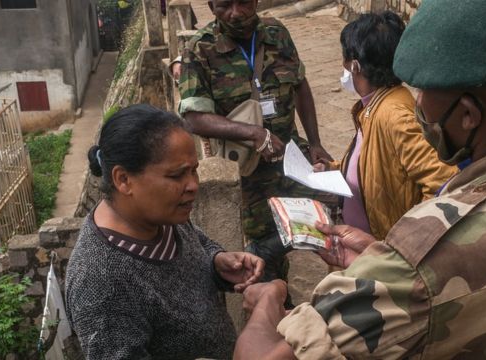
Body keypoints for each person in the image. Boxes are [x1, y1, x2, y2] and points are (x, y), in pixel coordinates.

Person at [234, 0, 486, 358]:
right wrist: (387, 260)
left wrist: (268, 300)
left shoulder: (427, 254)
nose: (416, 103)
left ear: (468, 115)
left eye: (422, 92)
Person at [65, 105, 264, 359]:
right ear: (124, 180)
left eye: (194, 170)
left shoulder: (162, 214)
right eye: (177, 175)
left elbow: (197, 242)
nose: (193, 185)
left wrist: (216, 262)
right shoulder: (101, 281)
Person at [178, 0, 332, 288]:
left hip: (291, 156)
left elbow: (300, 85)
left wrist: (315, 142)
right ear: (211, 6)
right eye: (225, 6)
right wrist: (254, 134)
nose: (236, 13)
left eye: (244, 3)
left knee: (329, 210)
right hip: (248, 172)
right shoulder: (200, 50)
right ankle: (277, 302)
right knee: (265, 249)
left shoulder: (277, 33)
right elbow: (193, 117)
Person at [318, 11, 456, 240]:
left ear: (355, 66)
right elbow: (375, 161)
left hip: (384, 253)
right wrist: (334, 168)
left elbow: (443, 183)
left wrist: (401, 245)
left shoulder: (394, 115)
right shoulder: (373, 106)